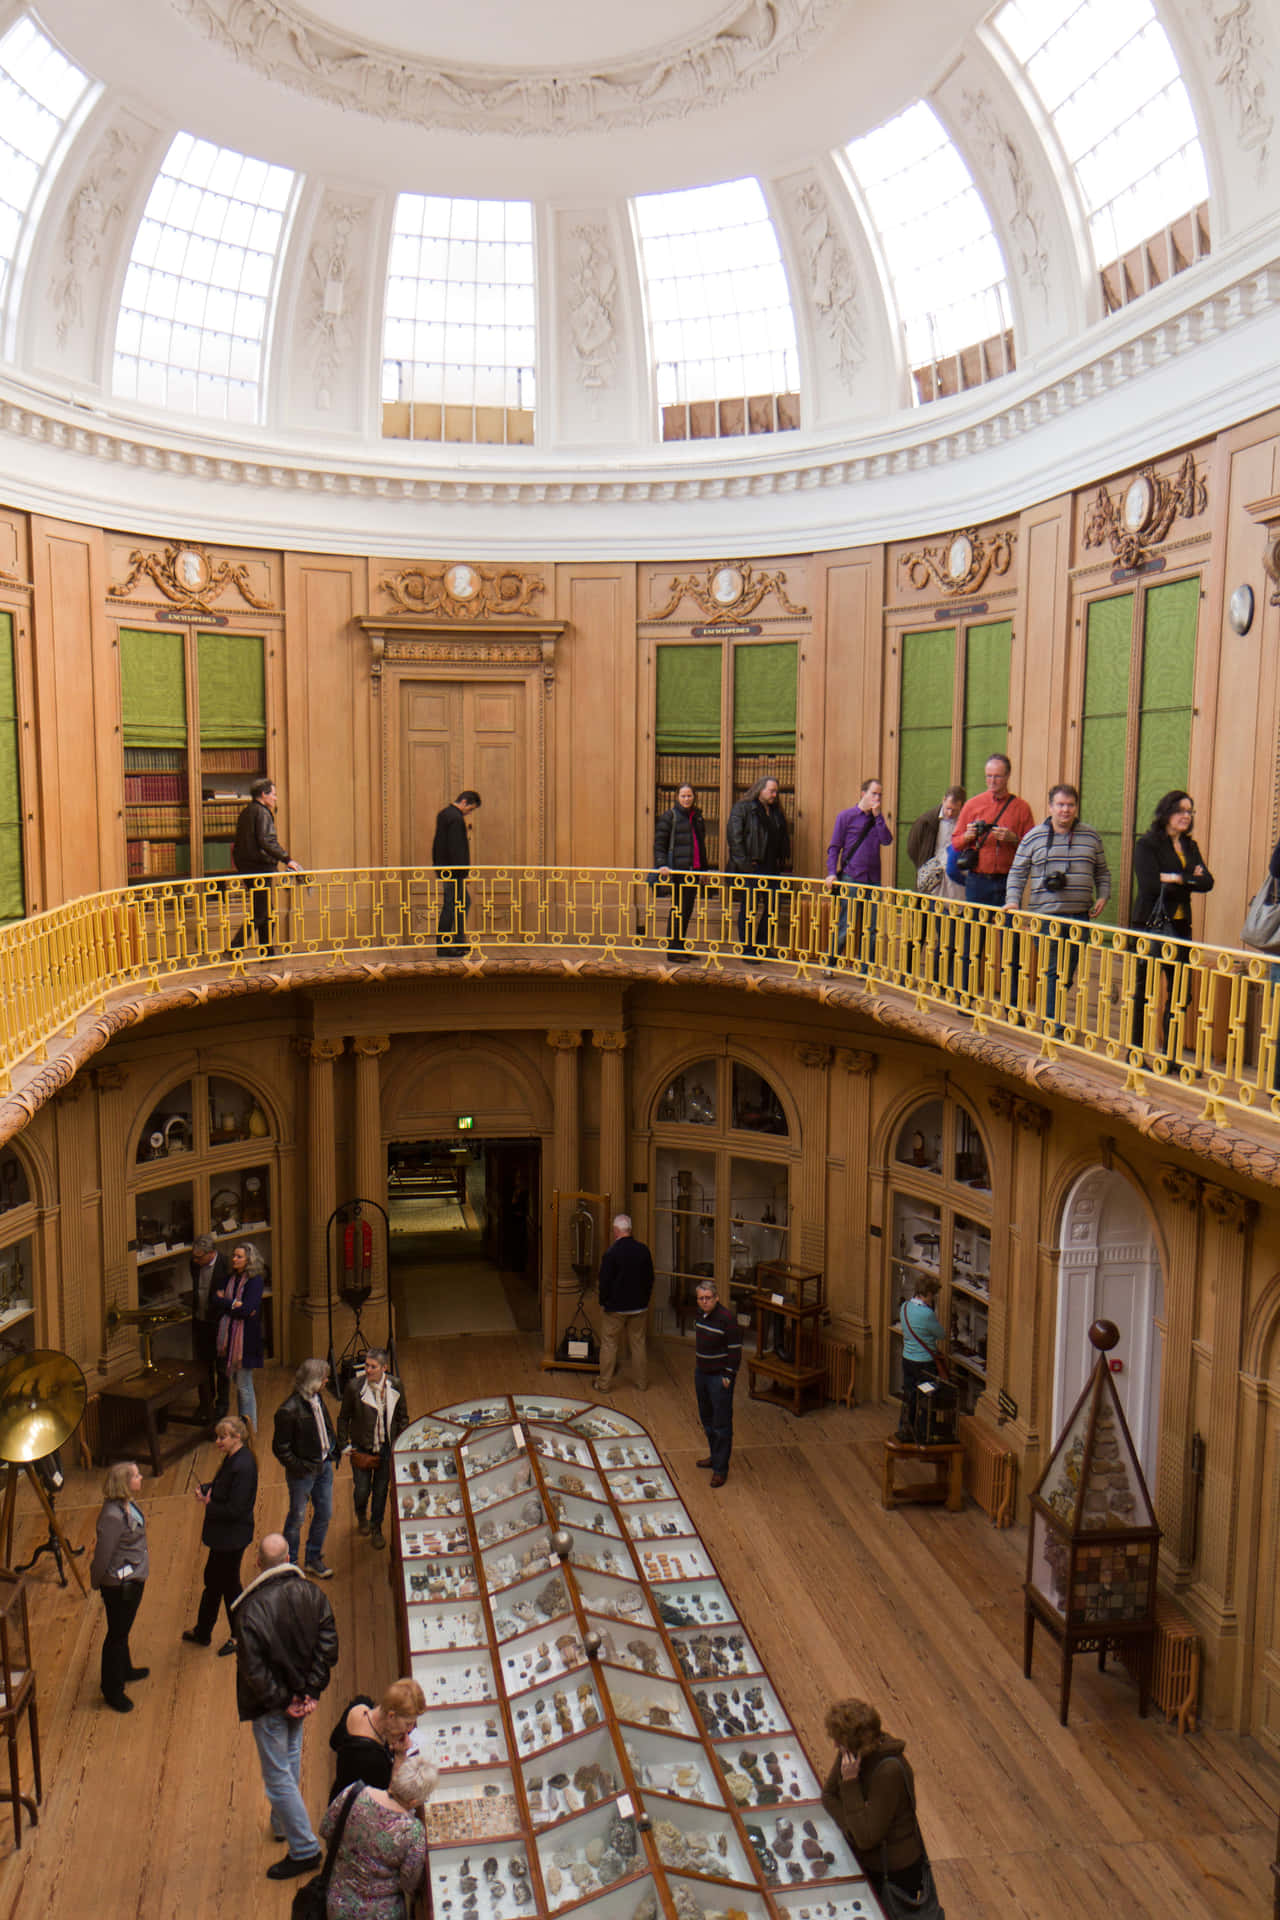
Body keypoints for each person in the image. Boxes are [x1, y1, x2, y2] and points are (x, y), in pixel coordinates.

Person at [232, 1531, 339, 1880]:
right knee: (290, 1758)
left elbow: (253, 1670)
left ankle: (305, 1849)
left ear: (258, 1563)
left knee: (278, 1777)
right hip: (298, 1698)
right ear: (289, 1556)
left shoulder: (249, 1609)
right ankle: (281, 1823)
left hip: (273, 1705)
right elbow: (327, 1644)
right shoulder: (312, 1593)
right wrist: (310, 1691)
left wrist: (283, 1700)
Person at [1005, 784, 1110, 1033]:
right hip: (1045, 915)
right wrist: (1013, 900)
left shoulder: (1091, 836)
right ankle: (1053, 1024)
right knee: (1053, 968)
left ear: (1076, 808)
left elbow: (1102, 871)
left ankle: (1053, 1015)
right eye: (1060, 805)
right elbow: (1017, 873)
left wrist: (1103, 895)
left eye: (1070, 805)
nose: (1065, 810)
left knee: (1068, 970)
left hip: (1079, 916)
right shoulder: (1033, 836)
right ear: (1050, 807)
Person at [820, 1698, 932, 1906]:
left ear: (856, 1741)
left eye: (839, 1741)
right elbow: (828, 1796)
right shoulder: (851, 1753)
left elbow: (866, 1838)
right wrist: (853, 1828)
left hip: (894, 1873)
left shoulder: (889, 1772)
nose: (835, 1745)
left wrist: (850, 1783)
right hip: (866, 1860)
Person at [1130, 790, 1213, 1052]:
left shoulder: (1190, 846)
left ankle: (1171, 1054)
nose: (1186, 816)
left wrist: (1177, 878)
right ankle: (1137, 1050)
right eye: (1181, 810)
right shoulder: (1148, 844)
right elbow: (1150, 885)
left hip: (1179, 927)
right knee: (1144, 992)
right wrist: (1190, 876)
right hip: (1150, 925)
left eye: (1190, 811)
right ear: (1166, 812)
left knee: (1180, 994)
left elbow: (1207, 882)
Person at [952, 755, 1035, 994]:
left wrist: (1012, 839)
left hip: (1010, 883)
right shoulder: (973, 805)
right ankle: (965, 996)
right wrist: (969, 836)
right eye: (988, 776)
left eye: (997, 776)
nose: (992, 781)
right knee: (972, 941)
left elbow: (1033, 847)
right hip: (978, 880)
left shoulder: (1021, 808)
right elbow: (956, 843)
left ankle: (1012, 1002)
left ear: (1008, 776)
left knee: (1012, 943)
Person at [319, 1753, 435, 1920]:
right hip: (381, 1913)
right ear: (413, 1801)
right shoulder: (413, 1831)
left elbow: (326, 1829)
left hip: (338, 1900)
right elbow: (409, 1882)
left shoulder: (354, 1792)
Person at [182, 1414, 258, 1655]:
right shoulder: (234, 1459)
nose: (218, 1441)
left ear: (237, 1437)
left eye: (222, 1437)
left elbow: (236, 1508)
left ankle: (239, 1636)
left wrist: (208, 1502)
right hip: (224, 1536)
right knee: (213, 1582)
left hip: (232, 1537)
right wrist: (208, 1489)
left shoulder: (243, 1465)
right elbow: (224, 1488)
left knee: (229, 1586)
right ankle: (204, 1630)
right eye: (217, 1437)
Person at [90, 1460, 149, 1714]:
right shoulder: (112, 1517)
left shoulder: (126, 1504)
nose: (141, 1477)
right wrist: (96, 1582)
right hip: (119, 1584)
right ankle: (112, 1689)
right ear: (124, 1483)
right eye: (136, 1475)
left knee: (122, 1630)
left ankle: (125, 1670)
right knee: (116, 1635)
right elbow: (102, 1556)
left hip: (133, 1575)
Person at [337, 1348, 409, 1550]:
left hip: (386, 1449)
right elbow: (343, 1418)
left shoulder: (396, 1386)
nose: (368, 1370)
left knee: (380, 1492)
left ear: (384, 1368)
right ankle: (361, 1514)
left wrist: (400, 1444)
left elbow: (403, 1417)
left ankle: (376, 1527)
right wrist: (344, 1444)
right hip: (362, 1448)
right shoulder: (354, 1387)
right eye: (366, 1366)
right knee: (361, 1490)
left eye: (373, 1367)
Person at [273, 1357, 340, 1577]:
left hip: (324, 1466)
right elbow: (280, 1449)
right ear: (313, 1381)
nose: (327, 1382)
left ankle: (313, 1558)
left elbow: (325, 1427)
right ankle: (290, 1563)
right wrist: (301, 1468)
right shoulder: (288, 1410)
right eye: (323, 1379)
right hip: (303, 1474)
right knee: (297, 1518)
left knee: (325, 1513)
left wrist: (332, 1450)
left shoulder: (318, 1398)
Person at [824, 777, 893, 970]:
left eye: (880, 794)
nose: (877, 797)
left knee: (871, 928)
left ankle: (865, 969)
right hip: (852, 876)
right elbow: (834, 847)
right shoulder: (846, 816)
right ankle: (831, 963)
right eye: (874, 793)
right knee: (846, 923)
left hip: (873, 879)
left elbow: (887, 840)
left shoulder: (877, 819)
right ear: (863, 794)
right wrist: (831, 873)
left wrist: (878, 816)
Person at [229, 776, 301, 954]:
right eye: (274, 795)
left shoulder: (246, 812)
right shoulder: (262, 812)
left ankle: (266, 952)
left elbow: (239, 846)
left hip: (249, 868)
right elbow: (267, 841)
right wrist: (287, 859)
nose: (275, 798)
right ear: (263, 794)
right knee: (261, 913)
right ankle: (234, 948)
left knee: (266, 911)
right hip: (260, 868)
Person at [725, 775, 791, 960]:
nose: (774, 795)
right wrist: (746, 866)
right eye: (771, 791)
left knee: (772, 908)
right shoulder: (743, 808)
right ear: (760, 789)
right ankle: (748, 950)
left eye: (776, 791)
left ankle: (762, 947)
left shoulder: (775, 811)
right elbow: (734, 839)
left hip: (772, 868)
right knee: (749, 909)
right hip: (751, 867)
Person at [329, 1677, 426, 1799]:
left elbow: (334, 1741)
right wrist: (400, 1756)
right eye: (408, 1723)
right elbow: (388, 1801)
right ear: (391, 1716)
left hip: (337, 1797)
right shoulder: (373, 1757)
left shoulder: (359, 1705)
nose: (410, 1729)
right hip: (350, 1813)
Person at [592, 1215, 655, 1393]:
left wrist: (604, 1302)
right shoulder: (643, 1250)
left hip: (615, 1308)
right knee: (638, 1344)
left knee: (609, 1345)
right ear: (630, 1230)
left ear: (616, 1231)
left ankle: (604, 1384)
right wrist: (644, 1300)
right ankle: (642, 1383)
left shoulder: (611, 1253)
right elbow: (650, 1279)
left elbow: (604, 1282)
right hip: (639, 1307)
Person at [213, 1240, 266, 1431]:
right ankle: (245, 1425)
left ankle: (250, 1429)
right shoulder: (230, 1278)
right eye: (234, 1256)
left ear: (249, 1260)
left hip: (246, 1340)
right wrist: (233, 1304)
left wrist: (227, 1303)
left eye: (239, 1256)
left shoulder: (255, 1280)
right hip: (231, 1337)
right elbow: (215, 1300)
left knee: (244, 1386)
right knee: (239, 1384)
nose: (234, 1259)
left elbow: (248, 1309)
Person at [693, 1278, 741, 1488]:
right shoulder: (700, 1315)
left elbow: (735, 1350)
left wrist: (728, 1376)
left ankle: (720, 1470)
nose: (704, 1302)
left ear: (716, 1298)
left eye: (708, 1298)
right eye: (701, 1298)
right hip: (701, 1374)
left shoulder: (727, 1319)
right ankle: (714, 1456)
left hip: (718, 1378)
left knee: (721, 1425)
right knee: (707, 1419)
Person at [654, 782, 710, 955]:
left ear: (694, 797)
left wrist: (704, 870)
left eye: (689, 796)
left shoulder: (697, 817)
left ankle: (680, 945)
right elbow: (659, 843)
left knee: (686, 909)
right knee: (678, 909)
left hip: (694, 870)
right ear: (677, 797)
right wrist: (662, 864)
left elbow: (700, 846)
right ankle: (673, 949)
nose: (686, 799)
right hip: (678, 870)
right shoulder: (670, 816)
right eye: (683, 796)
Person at [432, 788, 481, 954]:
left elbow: (440, 846)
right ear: (464, 802)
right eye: (471, 809)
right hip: (454, 873)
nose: (469, 813)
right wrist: (463, 873)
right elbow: (456, 849)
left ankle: (456, 941)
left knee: (460, 904)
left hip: (446, 871)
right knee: (452, 906)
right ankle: (445, 945)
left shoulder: (444, 814)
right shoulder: (456, 819)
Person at [897, 1276, 946, 1443]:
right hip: (925, 1363)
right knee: (927, 1397)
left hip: (907, 1360)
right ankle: (924, 1433)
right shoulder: (927, 1314)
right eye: (933, 1296)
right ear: (928, 1294)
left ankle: (905, 1429)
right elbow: (941, 1334)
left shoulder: (904, 1308)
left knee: (909, 1394)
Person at [188, 1232, 230, 1417]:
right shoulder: (194, 1264)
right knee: (203, 1366)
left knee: (221, 1367)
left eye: (199, 1257)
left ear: (210, 1253)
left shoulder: (226, 1265)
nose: (195, 1261)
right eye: (194, 1257)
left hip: (220, 1323)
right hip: (200, 1322)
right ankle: (206, 1402)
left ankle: (222, 1404)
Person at [907, 786, 967, 903]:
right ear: (943, 800)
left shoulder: (964, 822)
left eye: (954, 810)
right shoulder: (926, 821)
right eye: (948, 808)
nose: (950, 813)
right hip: (933, 878)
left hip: (955, 881)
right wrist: (926, 866)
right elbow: (913, 848)